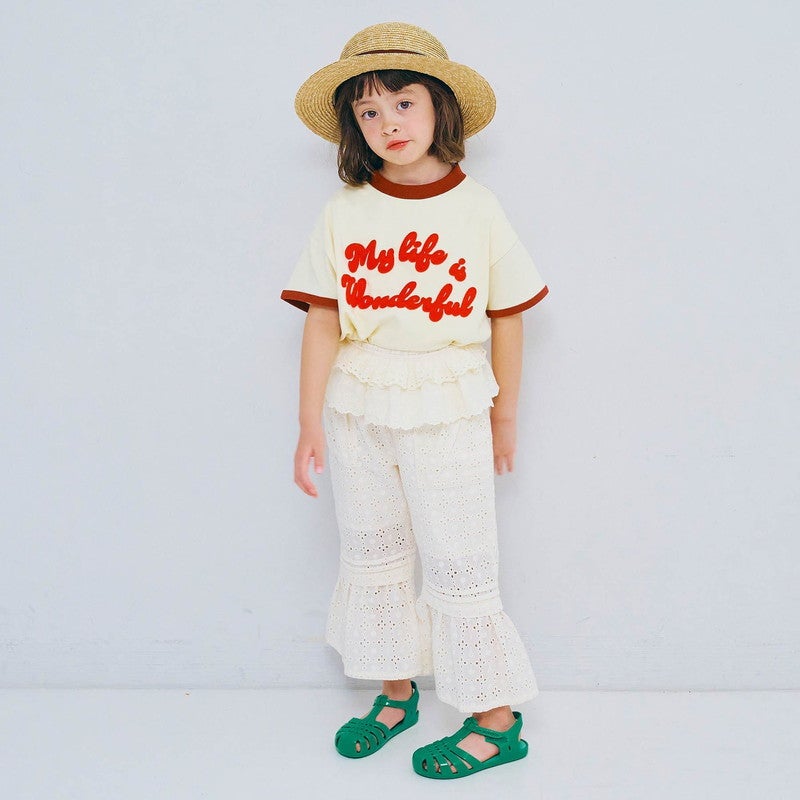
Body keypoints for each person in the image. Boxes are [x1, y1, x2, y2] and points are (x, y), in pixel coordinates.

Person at [280, 22, 549, 780]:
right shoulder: (345, 211)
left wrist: (503, 415)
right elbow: (324, 317)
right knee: (374, 548)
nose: (388, 122)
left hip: (448, 400)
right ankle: (394, 693)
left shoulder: (478, 207)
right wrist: (308, 419)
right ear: (353, 126)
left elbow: (508, 315)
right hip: (359, 403)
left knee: (460, 555)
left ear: (439, 108)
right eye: (368, 111)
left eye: (404, 103)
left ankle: (494, 719)